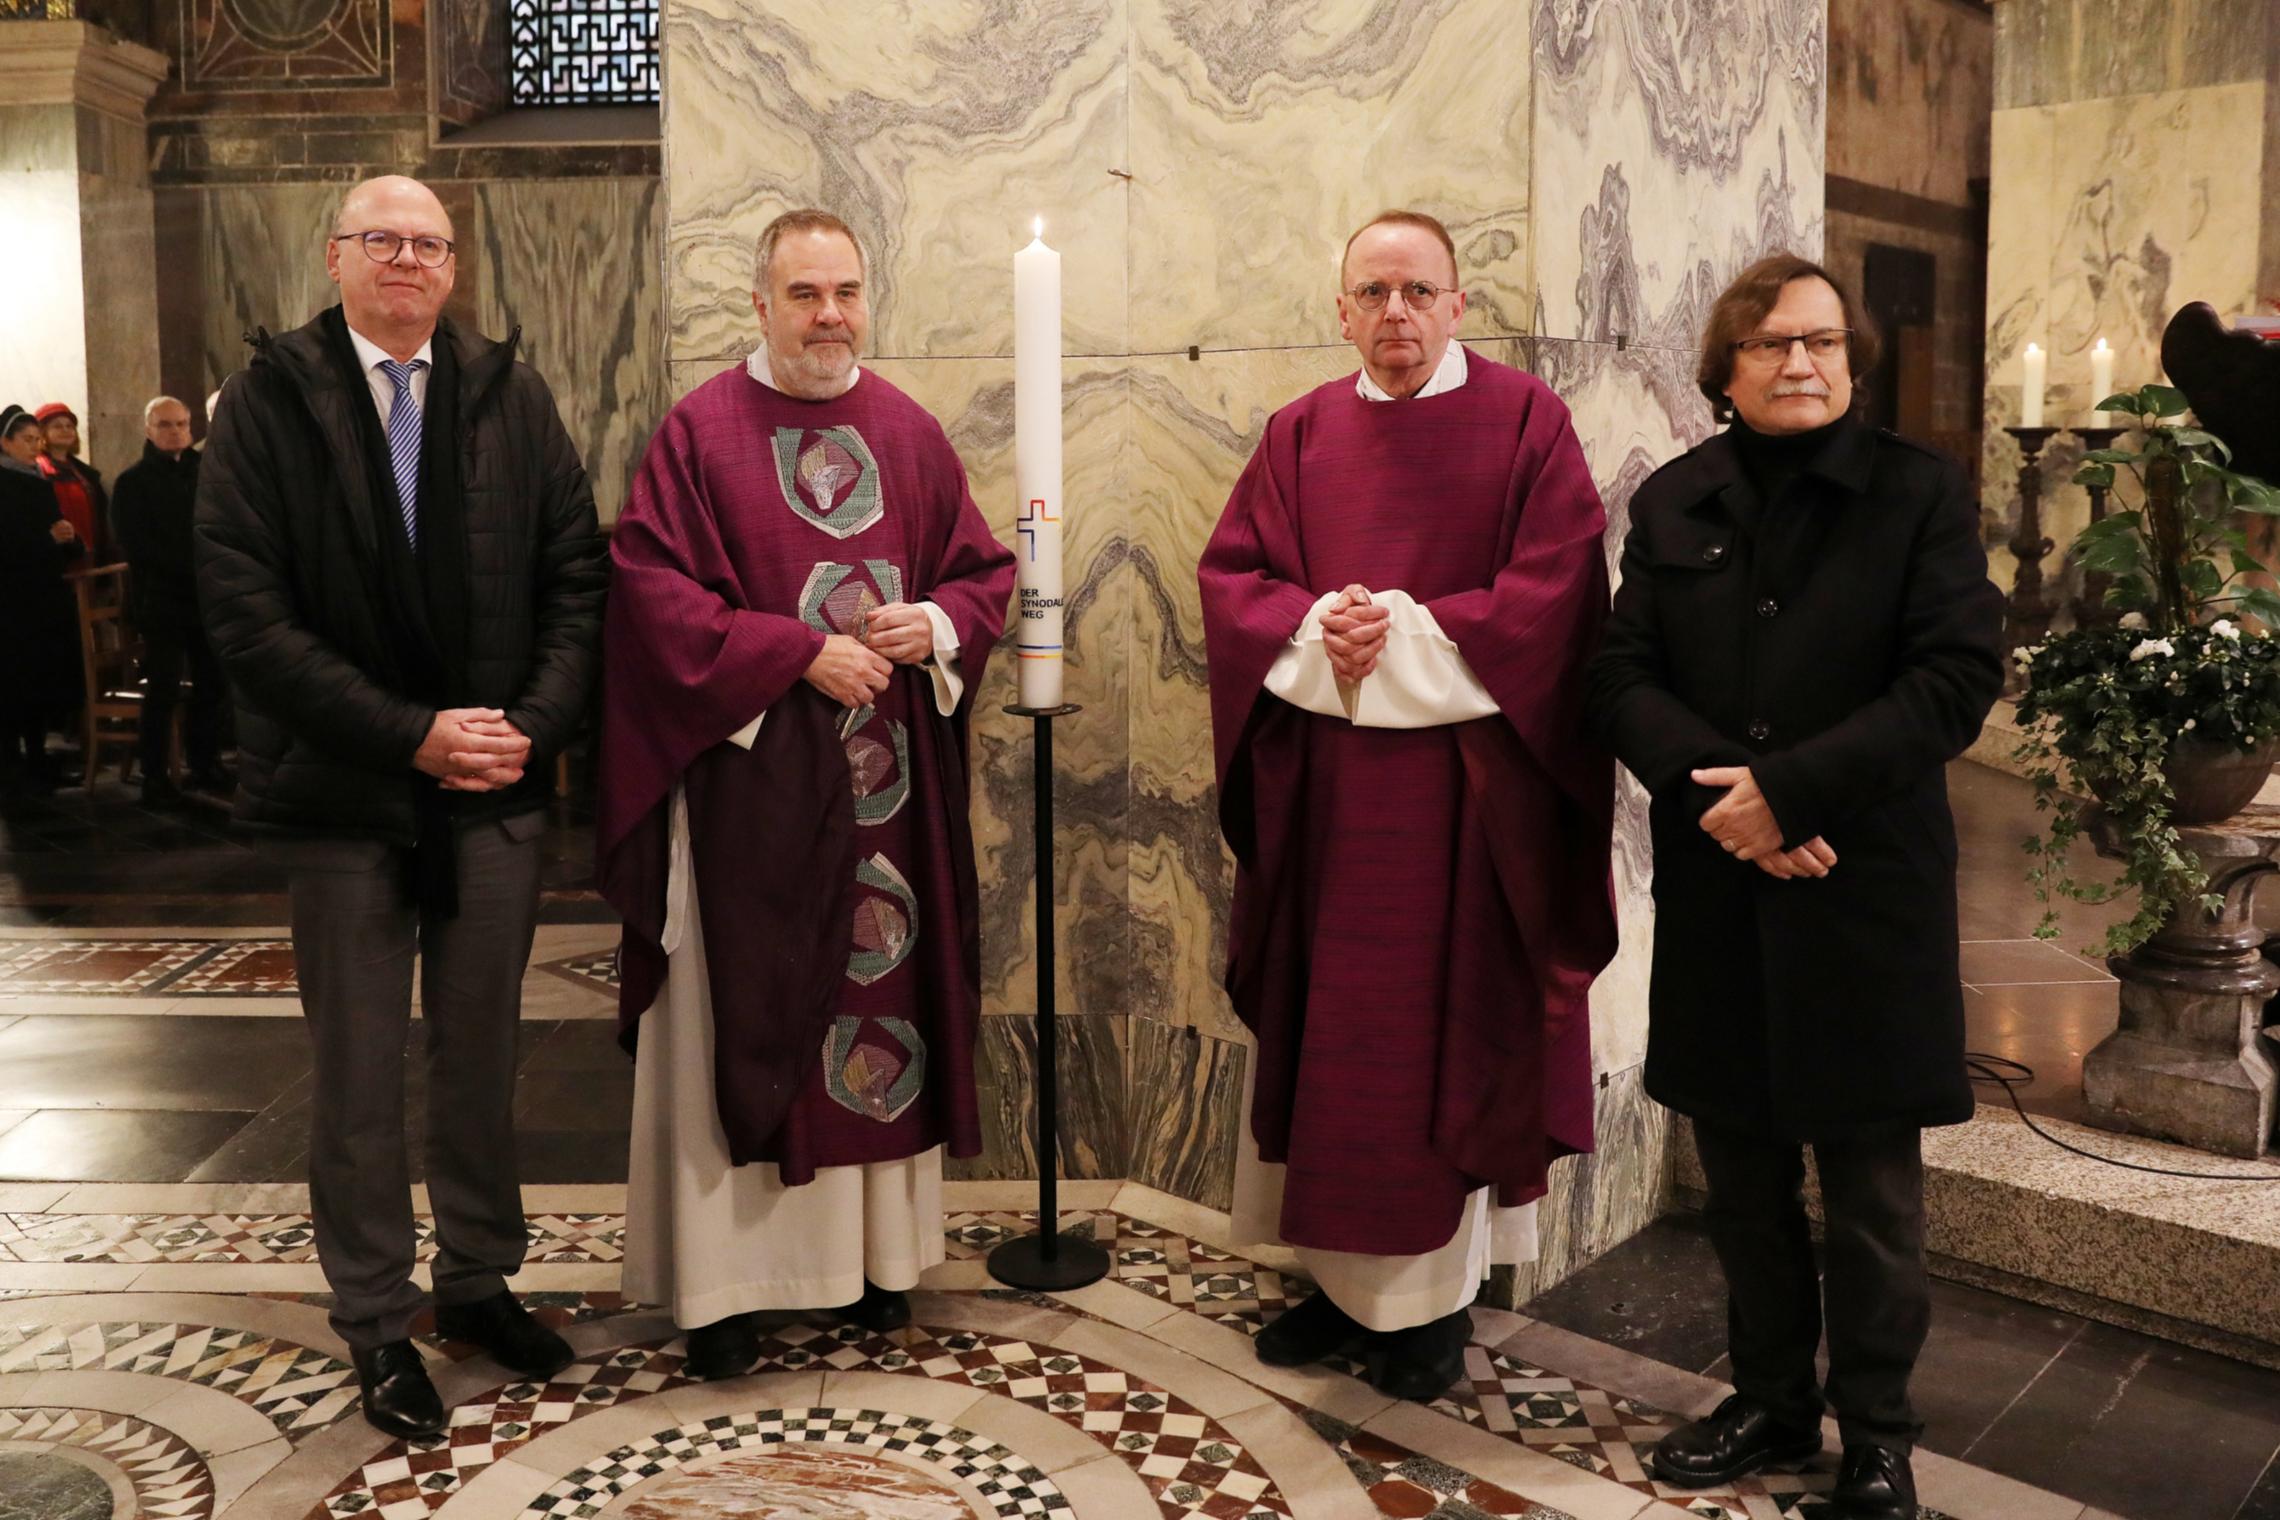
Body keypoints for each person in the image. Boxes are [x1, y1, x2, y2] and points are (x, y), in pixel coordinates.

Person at [1585, 253, 2004, 1520]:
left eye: (1821, 341)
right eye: (1770, 344)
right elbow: (1619, 676)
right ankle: (1770, 1397)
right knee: (1744, 1175)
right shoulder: (1676, 500)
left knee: (1872, 1190)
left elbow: (1952, 679)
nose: (1801, 363)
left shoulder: (1919, 494)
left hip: (1864, 888)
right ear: (1726, 368)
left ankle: (1879, 1432)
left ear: (1853, 360)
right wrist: (1733, 806)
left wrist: (1796, 793)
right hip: (1727, 884)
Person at [195, 174, 607, 1439]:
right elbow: (246, 616)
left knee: (482, 1055)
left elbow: (577, 577)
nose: (410, 263)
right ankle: (375, 1319)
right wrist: (409, 736)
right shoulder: (269, 401)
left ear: (452, 264)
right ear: (337, 256)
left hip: (488, 791)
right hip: (344, 797)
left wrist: (524, 730)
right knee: (359, 1072)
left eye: (431, 244)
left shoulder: (506, 391)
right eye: (385, 241)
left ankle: (479, 1279)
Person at [1197, 209, 1616, 1402]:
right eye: (1372, 291)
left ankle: (1429, 1308)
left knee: (1450, 1030)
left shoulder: (1526, 422)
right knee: (1338, 1034)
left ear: (1456, 304)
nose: (1395, 312)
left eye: (1417, 290)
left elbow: (1558, 590)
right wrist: (1312, 623)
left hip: (1467, 807)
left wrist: (1413, 635)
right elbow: (1235, 580)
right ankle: (1335, 1290)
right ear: (1342, 310)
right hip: (1329, 803)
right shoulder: (1299, 433)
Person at [597, 208, 1015, 1380]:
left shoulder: (908, 429)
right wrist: (793, 653)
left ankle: (876, 1264)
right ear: (759, 305)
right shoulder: (700, 432)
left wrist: (932, 621)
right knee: (750, 1007)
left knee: (881, 991)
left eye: (846, 291)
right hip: (752, 804)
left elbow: (981, 574)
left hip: (891, 799)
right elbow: (648, 599)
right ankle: (732, 1287)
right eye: (803, 295)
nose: (829, 316)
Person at [112, 396, 229, 803]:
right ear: (148, 430)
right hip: (161, 600)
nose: (176, 431)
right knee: (162, 688)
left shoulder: (207, 473)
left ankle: (205, 763)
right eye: (165, 425)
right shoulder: (133, 482)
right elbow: (136, 545)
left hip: (204, 597)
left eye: (182, 423)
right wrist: (191, 564)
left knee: (211, 684)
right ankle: (155, 774)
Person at [0, 404, 84, 791]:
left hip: (44, 596)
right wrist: (44, 540)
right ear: (5, 442)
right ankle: (11, 761)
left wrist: (69, 538)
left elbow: (54, 535)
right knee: (14, 683)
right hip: (12, 602)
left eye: (38, 439)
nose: (37, 446)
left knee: (40, 681)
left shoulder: (38, 479)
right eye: (29, 439)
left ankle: (37, 756)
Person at [34, 403, 111, 565]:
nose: (66, 430)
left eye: (69, 426)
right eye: (57, 426)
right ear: (42, 432)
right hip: (56, 555)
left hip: (89, 551)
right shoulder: (36, 470)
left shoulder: (85, 473)